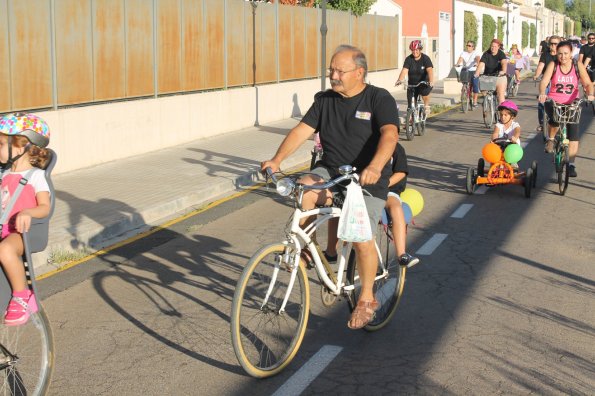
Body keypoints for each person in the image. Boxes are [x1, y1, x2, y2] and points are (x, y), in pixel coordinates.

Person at [261, 45, 398, 329]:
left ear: (359, 73)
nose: (333, 76)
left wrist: (374, 166)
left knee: (361, 237)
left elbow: (390, 134)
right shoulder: (324, 100)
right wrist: (276, 160)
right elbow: (302, 130)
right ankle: (305, 248)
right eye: (330, 70)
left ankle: (367, 298)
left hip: (367, 180)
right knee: (304, 187)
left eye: (339, 71)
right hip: (332, 170)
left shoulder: (378, 98)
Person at [0, 113, 51, 326]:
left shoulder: (36, 176)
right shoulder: (3, 174)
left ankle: (22, 295)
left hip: (22, 234)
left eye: (1, 144)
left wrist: (27, 212)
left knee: (4, 250)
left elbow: (45, 207)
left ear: (20, 148)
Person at [538, 40, 594, 177]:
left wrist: (590, 94)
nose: (563, 57)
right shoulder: (553, 64)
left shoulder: (577, 65)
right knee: (555, 119)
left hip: (572, 102)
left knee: (573, 133)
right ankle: (551, 139)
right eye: (560, 54)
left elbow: (587, 82)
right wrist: (542, 93)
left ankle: (571, 165)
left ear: (571, 53)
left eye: (566, 54)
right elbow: (544, 81)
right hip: (554, 100)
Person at [386, 143, 419, 268]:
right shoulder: (358, 142)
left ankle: (402, 254)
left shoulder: (396, 148)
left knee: (395, 206)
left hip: (387, 190)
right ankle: (331, 250)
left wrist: (384, 184)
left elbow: (400, 172)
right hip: (360, 188)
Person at [395, 40, 434, 115]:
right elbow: (404, 70)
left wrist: (431, 81)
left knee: (425, 93)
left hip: (423, 83)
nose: (414, 52)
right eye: (413, 50)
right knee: (410, 105)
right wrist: (399, 80)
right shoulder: (409, 59)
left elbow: (430, 70)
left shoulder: (425, 59)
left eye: (416, 50)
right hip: (412, 84)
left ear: (420, 50)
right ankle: (411, 119)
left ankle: (426, 106)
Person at [534, 36, 561, 132]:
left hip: (558, 82)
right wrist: (536, 75)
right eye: (551, 43)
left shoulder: (561, 55)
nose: (553, 46)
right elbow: (541, 66)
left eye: (555, 44)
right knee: (542, 101)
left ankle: (560, 121)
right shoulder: (545, 55)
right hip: (547, 81)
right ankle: (542, 123)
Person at [475, 38, 508, 104]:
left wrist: (503, 71)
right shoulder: (486, 54)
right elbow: (481, 63)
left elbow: (504, 63)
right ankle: (486, 104)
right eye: (492, 46)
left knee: (501, 96)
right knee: (484, 91)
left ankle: (501, 111)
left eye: (495, 46)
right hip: (488, 76)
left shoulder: (501, 54)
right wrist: (477, 72)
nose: (493, 48)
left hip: (499, 76)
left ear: (498, 47)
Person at [455, 40, 481, 108]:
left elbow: (477, 58)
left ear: (473, 47)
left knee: (475, 86)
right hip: (466, 70)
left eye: (469, 46)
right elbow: (460, 59)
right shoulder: (463, 53)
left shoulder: (475, 53)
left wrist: (478, 64)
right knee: (465, 84)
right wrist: (457, 64)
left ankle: (475, 102)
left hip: (474, 71)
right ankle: (465, 93)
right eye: (467, 45)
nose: (468, 47)